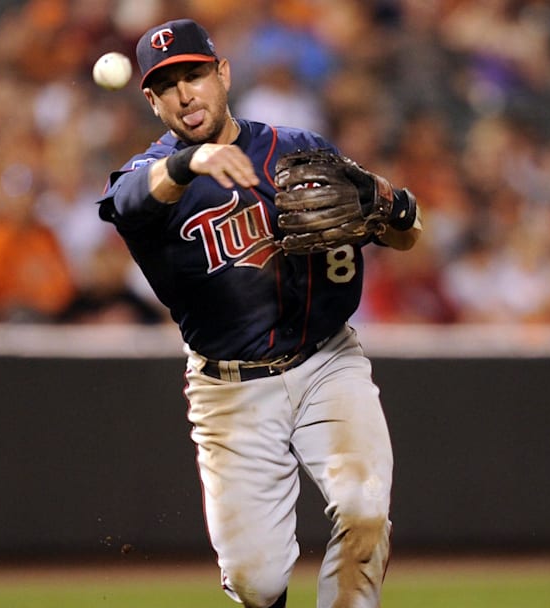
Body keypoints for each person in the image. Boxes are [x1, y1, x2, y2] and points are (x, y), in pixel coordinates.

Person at [96, 19, 422, 608]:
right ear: (152, 101)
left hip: (327, 361)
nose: (185, 94)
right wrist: (188, 164)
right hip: (231, 389)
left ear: (222, 74)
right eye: (168, 86)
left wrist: (395, 208)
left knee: (364, 509)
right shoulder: (148, 176)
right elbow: (126, 202)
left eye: (195, 74)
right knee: (257, 582)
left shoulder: (296, 149)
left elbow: (404, 233)